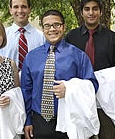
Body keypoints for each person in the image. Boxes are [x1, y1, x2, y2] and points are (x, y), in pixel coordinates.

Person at [21, 10, 99, 139]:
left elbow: (93, 85)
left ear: (64, 27)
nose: (52, 29)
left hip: (70, 120)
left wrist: (69, 90)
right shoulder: (31, 57)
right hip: (40, 122)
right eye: (47, 25)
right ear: (43, 28)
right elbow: (26, 91)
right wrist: (27, 120)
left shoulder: (78, 56)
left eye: (56, 25)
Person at [65, 0, 115, 139]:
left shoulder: (112, 38)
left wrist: (103, 80)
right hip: (79, 100)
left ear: (100, 12)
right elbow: (65, 65)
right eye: (87, 9)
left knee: (107, 135)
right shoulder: (71, 38)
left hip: (104, 103)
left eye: (95, 9)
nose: (91, 13)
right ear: (81, 13)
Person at [0, 0, 44, 71]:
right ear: (10, 10)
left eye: (24, 7)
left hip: (33, 82)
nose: (20, 11)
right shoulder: (2, 36)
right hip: (8, 82)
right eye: (16, 7)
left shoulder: (42, 37)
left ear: (29, 9)